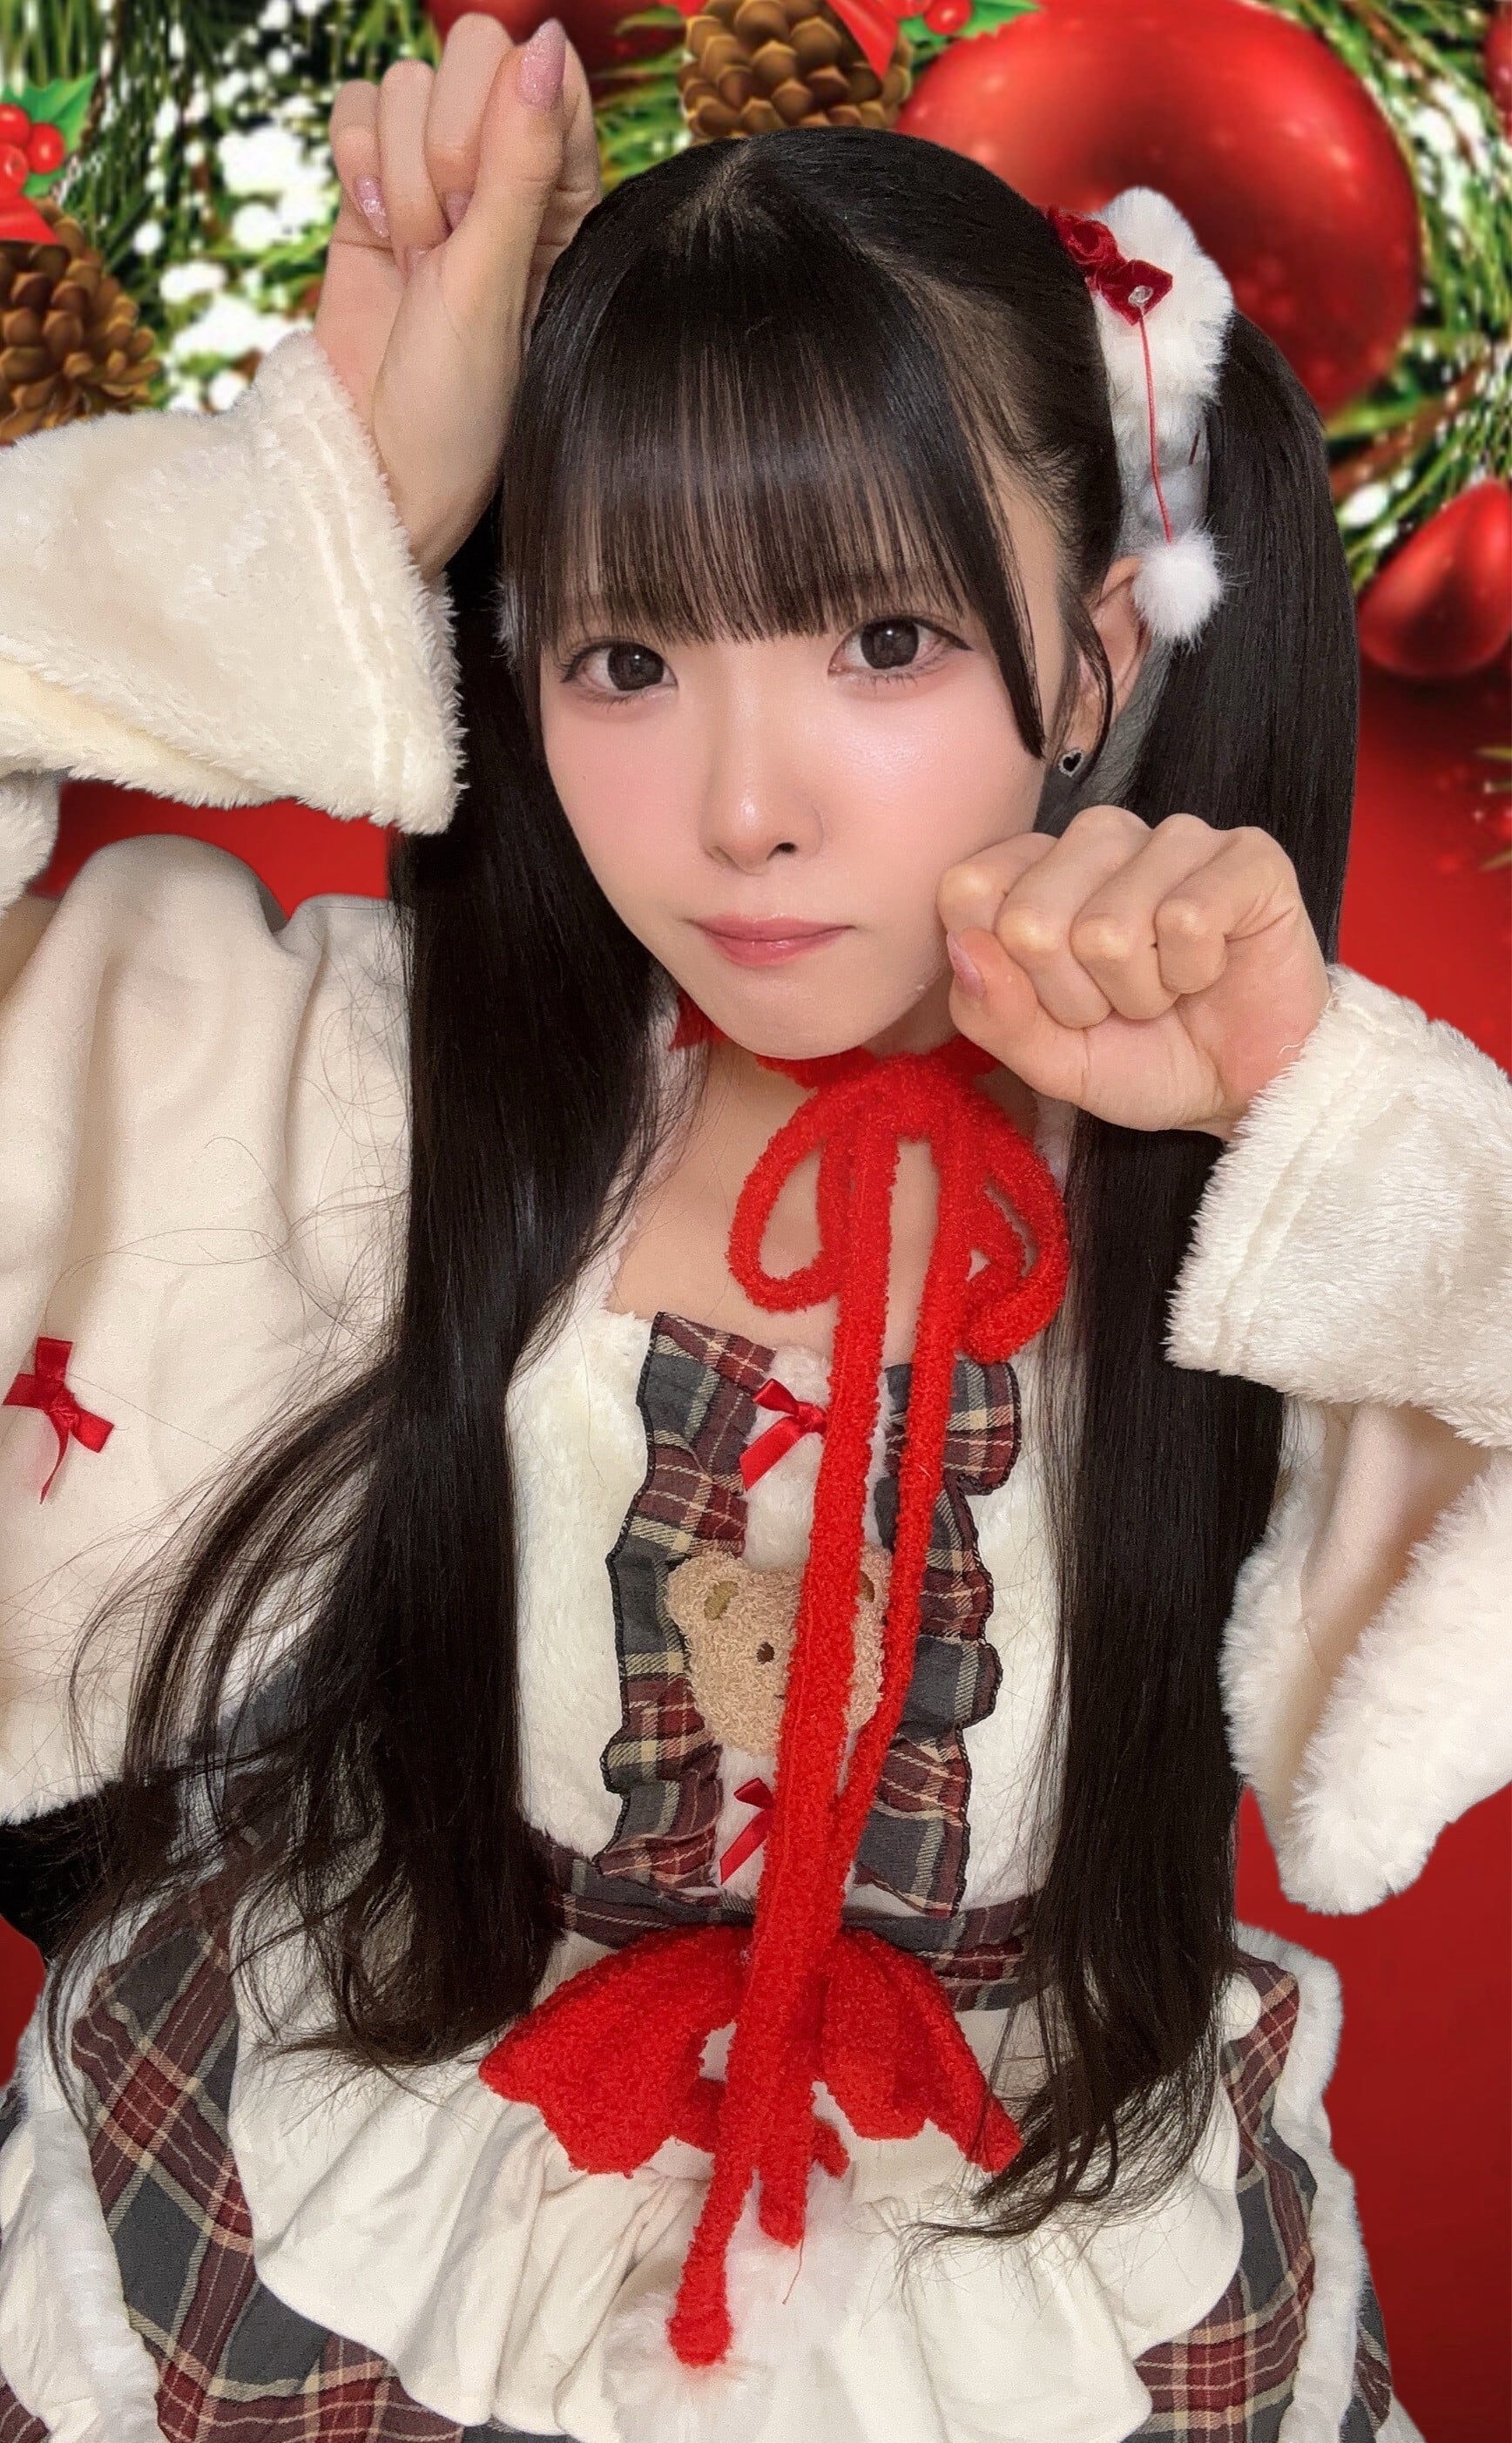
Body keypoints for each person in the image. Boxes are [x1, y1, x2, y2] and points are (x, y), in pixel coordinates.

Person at [0, 15, 1506, 2440]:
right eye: (627, 657)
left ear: (1094, 658)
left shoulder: (1261, 1200)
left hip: (1032, 2254)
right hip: (385, 2176)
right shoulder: (393, 1099)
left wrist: (1311, 1104)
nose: (740, 809)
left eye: (885, 642)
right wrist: (325, 492)